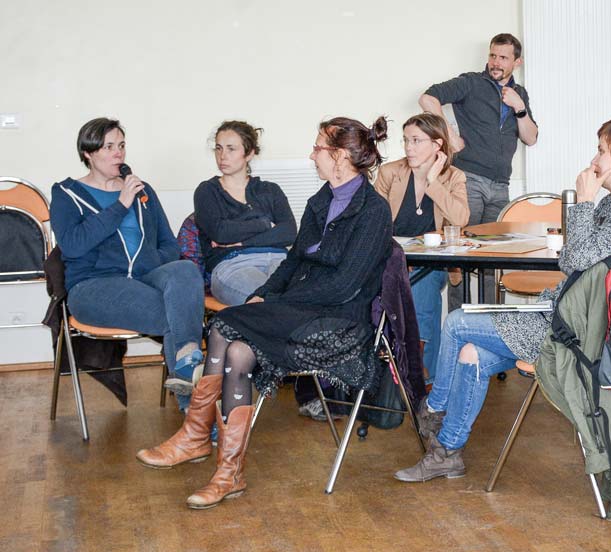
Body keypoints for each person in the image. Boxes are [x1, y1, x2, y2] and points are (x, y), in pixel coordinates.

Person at [136, 116, 394, 510]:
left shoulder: (373, 211)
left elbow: (345, 286)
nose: (312, 155)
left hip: (341, 321)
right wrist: (264, 293)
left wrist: (279, 303)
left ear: (339, 157)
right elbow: (291, 262)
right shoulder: (320, 201)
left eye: (318, 148)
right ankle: (229, 473)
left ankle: (194, 436)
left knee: (223, 323)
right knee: (236, 351)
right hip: (304, 309)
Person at [394, 118, 611, 483]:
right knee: (470, 353)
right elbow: (577, 258)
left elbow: (572, 260)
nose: (595, 158)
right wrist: (587, 211)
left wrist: (583, 200)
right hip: (567, 316)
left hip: (584, 336)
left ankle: (433, 409)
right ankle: (447, 452)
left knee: (458, 322)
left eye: (602, 150)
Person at [50, 117, 204, 399]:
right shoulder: (66, 194)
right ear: (88, 152)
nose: (118, 153)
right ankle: (196, 411)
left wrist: (150, 262)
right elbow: (72, 246)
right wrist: (121, 205)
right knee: (180, 314)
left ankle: (185, 371)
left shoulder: (142, 190)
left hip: (145, 278)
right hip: (92, 286)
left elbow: (169, 244)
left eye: (121, 145)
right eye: (108, 147)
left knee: (185, 270)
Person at [420, 32, 538, 307]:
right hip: (468, 180)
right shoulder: (471, 83)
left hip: (501, 187)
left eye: (503, 57)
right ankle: (456, 325)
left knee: (492, 259)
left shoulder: (519, 94)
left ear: (516, 62)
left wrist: (519, 108)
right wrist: (449, 135)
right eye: (493, 55)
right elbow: (428, 98)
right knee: (459, 256)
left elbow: (530, 138)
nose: (496, 62)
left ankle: (487, 325)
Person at [374, 113, 469, 384]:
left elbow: (461, 219)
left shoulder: (453, 177)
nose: (408, 147)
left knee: (422, 280)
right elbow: (373, 222)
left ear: (437, 145)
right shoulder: (390, 173)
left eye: (416, 141)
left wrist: (433, 181)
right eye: (406, 140)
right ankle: (426, 373)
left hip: (434, 261)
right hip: (391, 258)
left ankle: (416, 357)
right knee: (418, 285)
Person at [194, 121, 296, 307]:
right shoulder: (207, 191)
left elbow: (289, 232)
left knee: (302, 298)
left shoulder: (270, 190)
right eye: (218, 148)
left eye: (231, 149)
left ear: (249, 154)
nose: (222, 156)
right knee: (269, 302)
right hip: (233, 264)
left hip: (280, 260)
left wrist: (242, 242)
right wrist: (264, 224)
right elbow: (221, 232)